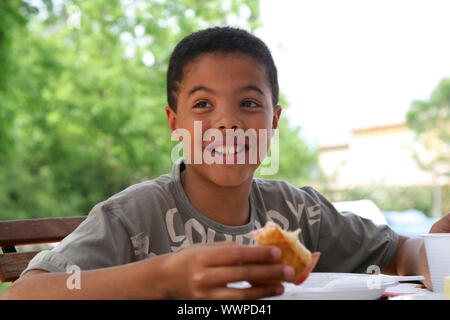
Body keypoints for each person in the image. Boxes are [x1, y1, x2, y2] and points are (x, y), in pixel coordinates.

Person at [2, 26, 449, 300]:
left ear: (273, 122)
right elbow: (25, 294)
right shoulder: (132, 217)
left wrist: (432, 251)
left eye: (249, 103)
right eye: (202, 105)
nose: (228, 123)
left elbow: (397, 254)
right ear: (175, 124)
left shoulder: (299, 214)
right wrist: (164, 278)